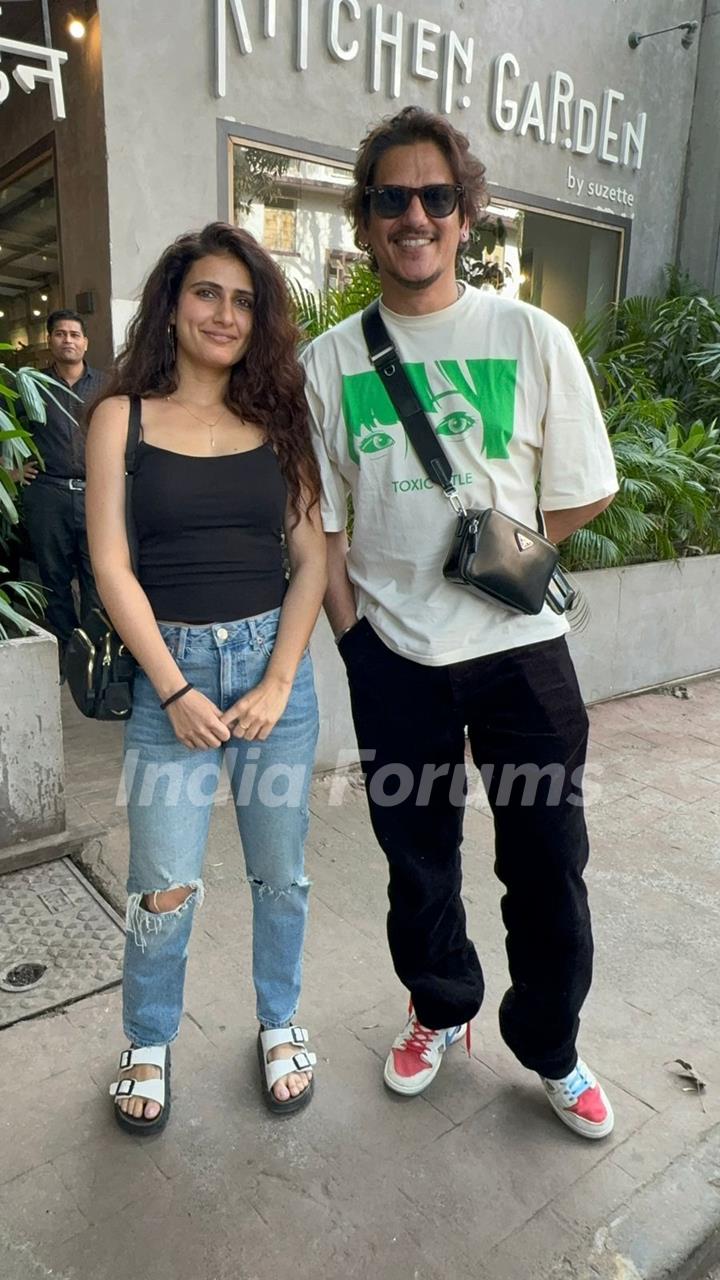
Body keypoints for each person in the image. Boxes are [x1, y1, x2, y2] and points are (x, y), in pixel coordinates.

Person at [302, 107, 619, 1140]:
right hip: (396, 657)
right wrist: (354, 640)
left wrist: (501, 551)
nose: (414, 215)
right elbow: (322, 522)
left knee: (547, 860)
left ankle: (553, 1043)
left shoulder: (529, 334)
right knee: (417, 859)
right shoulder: (330, 360)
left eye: (435, 196)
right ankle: (440, 1005)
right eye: (391, 197)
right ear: (365, 218)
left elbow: (584, 490)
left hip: (523, 657)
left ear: (466, 213)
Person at [85, 222, 326, 1134]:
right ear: (172, 305)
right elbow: (112, 565)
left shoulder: (279, 421)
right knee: (165, 881)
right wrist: (177, 690)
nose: (224, 313)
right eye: (206, 293)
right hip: (168, 673)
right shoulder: (123, 416)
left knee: (282, 875)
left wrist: (276, 680)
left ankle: (279, 1020)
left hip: (274, 675)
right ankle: (148, 1040)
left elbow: (309, 560)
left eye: (242, 299)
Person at [21, 309, 105, 664]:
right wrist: (10, 469)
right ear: (50, 341)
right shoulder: (30, 386)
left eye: (74, 334)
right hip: (47, 493)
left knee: (97, 576)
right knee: (53, 576)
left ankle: (95, 655)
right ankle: (66, 655)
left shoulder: (106, 386)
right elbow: (7, 430)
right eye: (60, 333)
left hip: (96, 493)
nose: (67, 339)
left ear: (85, 343)